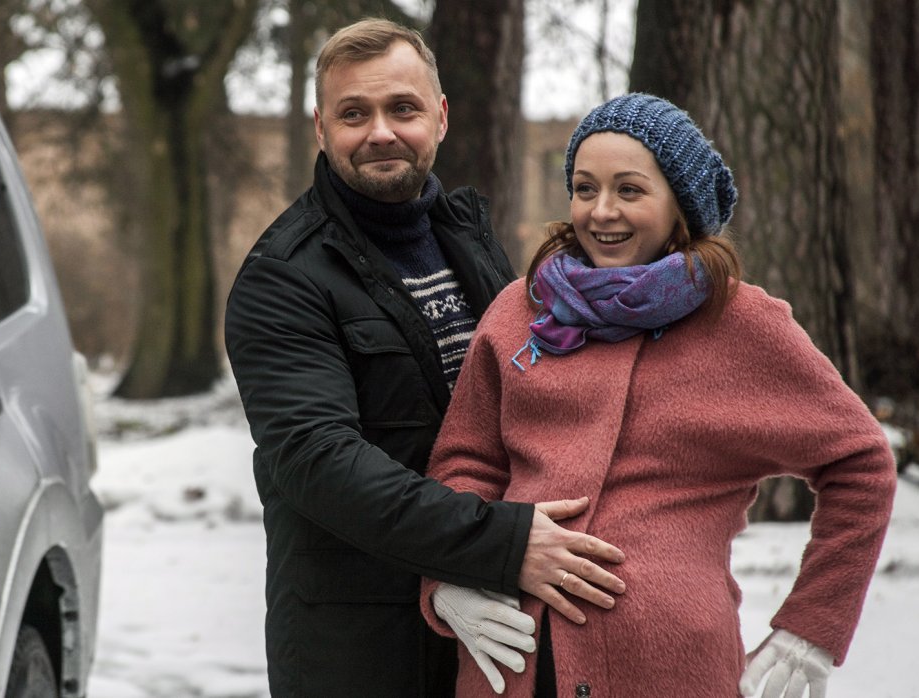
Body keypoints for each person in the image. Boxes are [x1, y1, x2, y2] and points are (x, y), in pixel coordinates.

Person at [420, 93, 896, 697]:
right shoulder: (521, 309)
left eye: (630, 190)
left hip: (673, 671)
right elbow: (467, 461)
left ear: (679, 206)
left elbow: (861, 463)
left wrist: (812, 627)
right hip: (511, 665)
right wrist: (452, 575)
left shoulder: (741, 323)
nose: (602, 211)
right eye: (585, 188)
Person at [224, 19, 629, 698]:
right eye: (354, 113)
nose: (381, 131)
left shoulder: (468, 238)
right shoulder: (284, 276)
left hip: (499, 627)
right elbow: (318, 461)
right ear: (321, 128)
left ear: (440, 118)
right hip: (363, 649)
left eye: (402, 108)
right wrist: (495, 545)